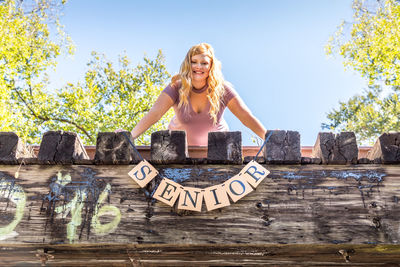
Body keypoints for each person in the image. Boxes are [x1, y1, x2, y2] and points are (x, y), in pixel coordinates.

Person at [117, 43, 266, 146]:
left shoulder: (222, 89)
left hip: (216, 153)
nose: (198, 67)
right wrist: (130, 135)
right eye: (194, 62)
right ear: (188, 64)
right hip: (177, 152)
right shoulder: (176, 87)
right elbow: (155, 113)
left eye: (204, 63)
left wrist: (268, 137)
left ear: (211, 66)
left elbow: (245, 116)